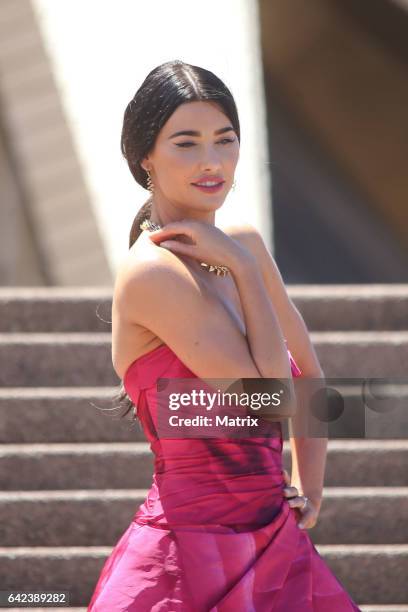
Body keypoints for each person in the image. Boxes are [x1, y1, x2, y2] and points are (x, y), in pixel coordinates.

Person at [88, 60, 361, 611]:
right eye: (186, 143)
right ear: (145, 157)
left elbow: (309, 375)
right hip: (183, 559)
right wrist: (241, 268)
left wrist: (310, 488)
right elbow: (270, 404)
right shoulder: (154, 273)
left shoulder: (243, 242)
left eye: (226, 140)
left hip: (276, 543)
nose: (212, 162)